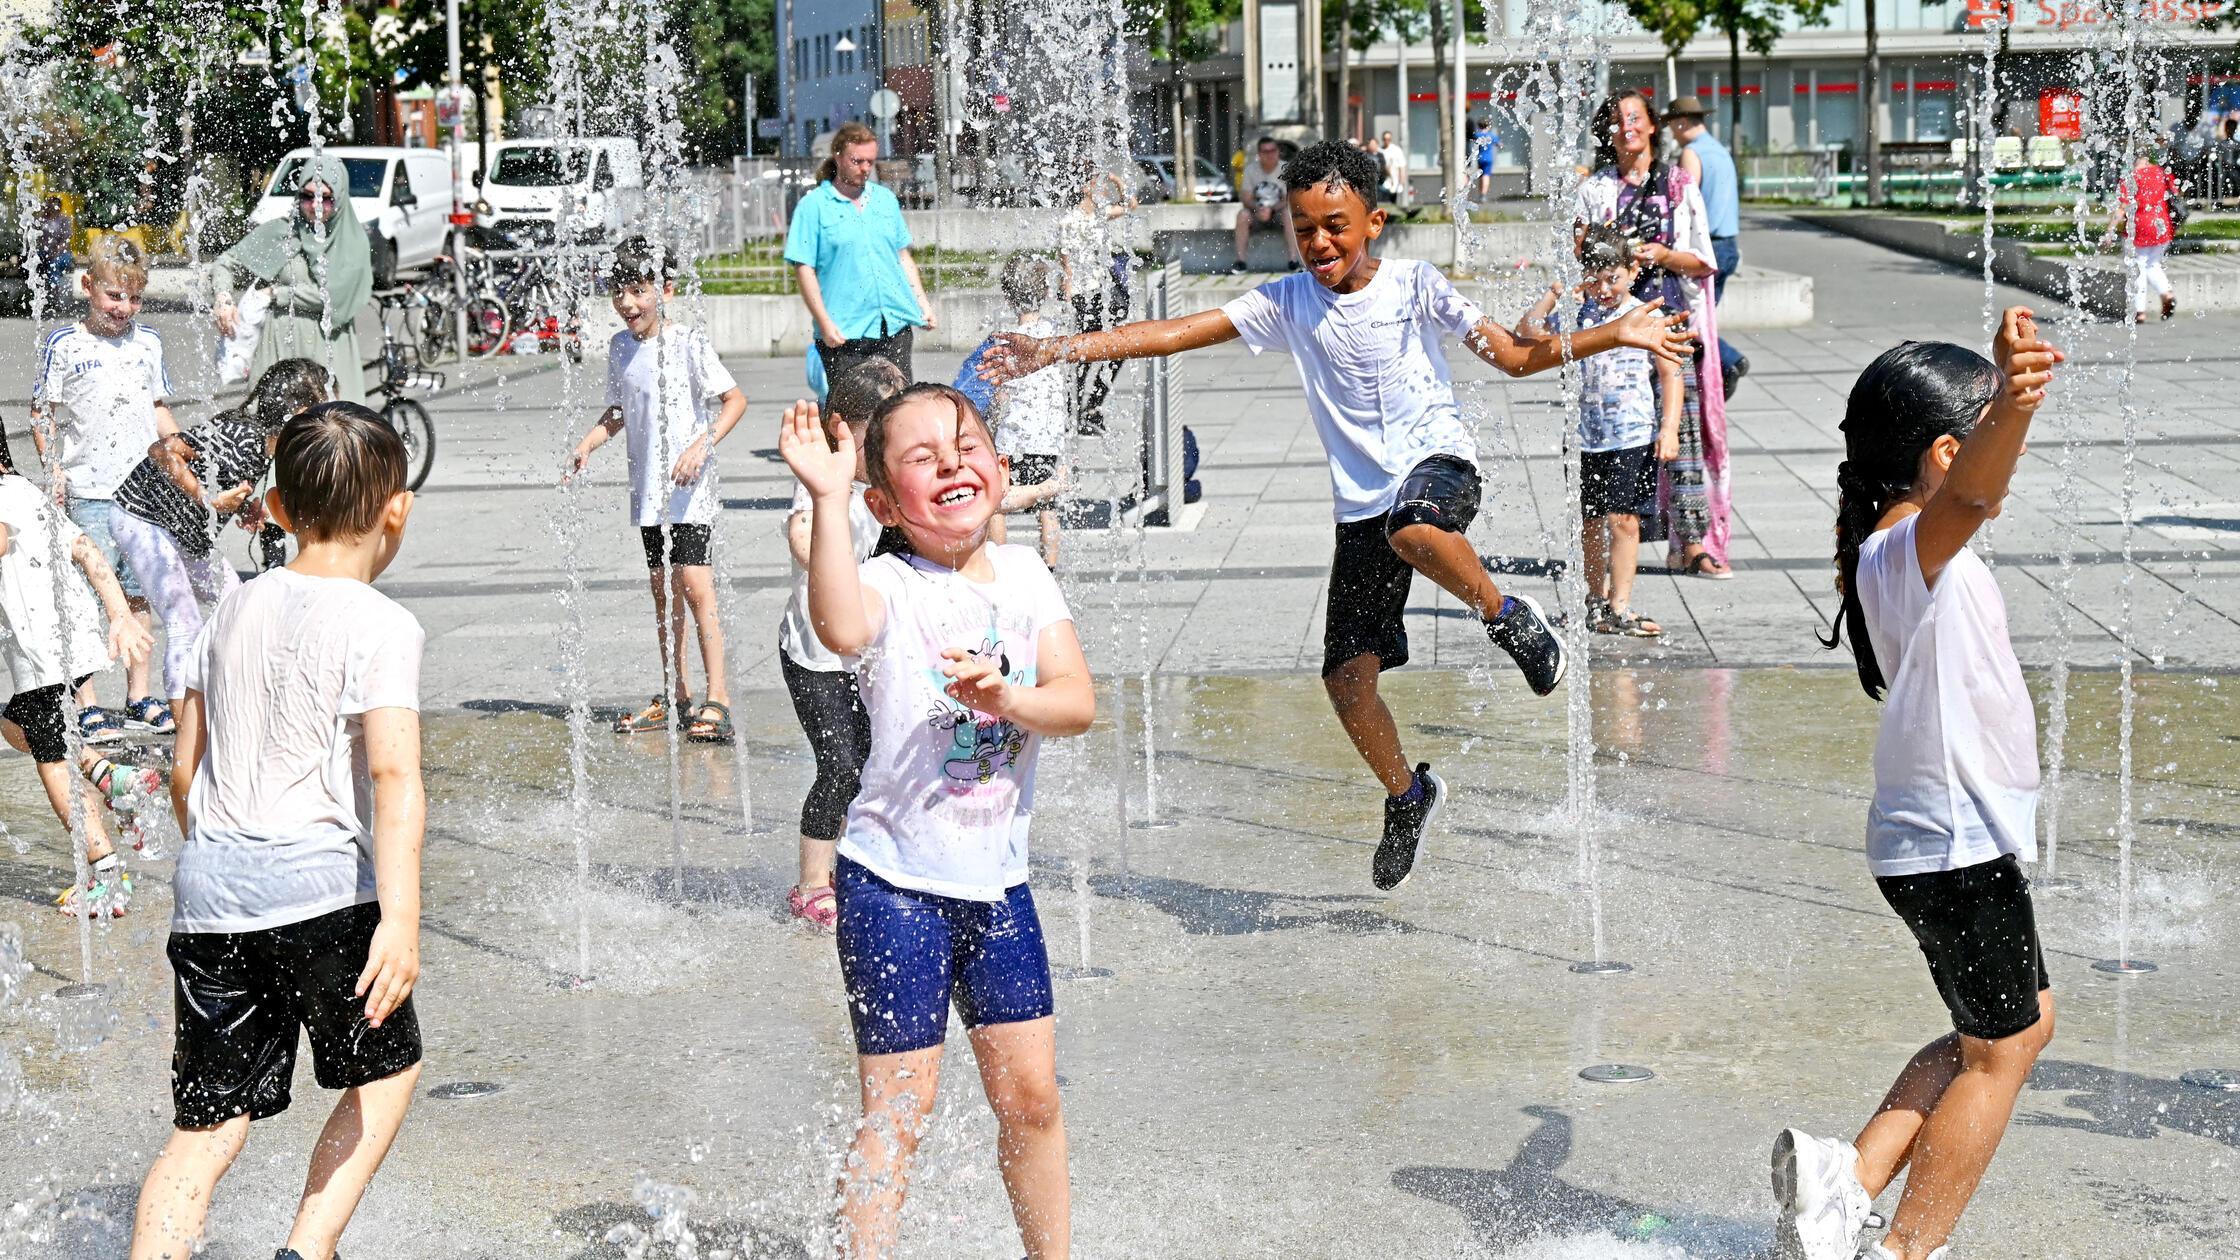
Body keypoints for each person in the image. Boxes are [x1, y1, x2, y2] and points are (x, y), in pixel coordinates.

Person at [982, 142, 1690, 892]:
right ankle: (1408, 797)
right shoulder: (1287, 302)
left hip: (1437, 468)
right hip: (1361, 508)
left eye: (1335, 225)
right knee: (1347, 684)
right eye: (1303, 227)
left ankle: (1509, 614)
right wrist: (1055, 350)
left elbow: (1514, 356)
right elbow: (1174, 332)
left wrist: (1615, 331)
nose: (1319, 242)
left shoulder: (1416, 285)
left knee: (1414, 526)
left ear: (1373, 222)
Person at [778, 383, 1094, 1260]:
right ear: (886, 502)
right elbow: (839, 627)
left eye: (966, 443)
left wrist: (1007, 694)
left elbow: (1075, 704)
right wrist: (827, 498)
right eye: (922, 457)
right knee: (901, 1108)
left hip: (999, 891)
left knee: (1032, 1099)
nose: (953, 462)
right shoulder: (885, 581)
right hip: (892, 888)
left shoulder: (1029, 577)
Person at [1781, 310, 2063, 1260]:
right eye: (1981, 436)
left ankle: (1846, 1181)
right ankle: (1903, 1250)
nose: (1998, 458)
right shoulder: (1909, 552)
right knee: (2002, 1049)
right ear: (1947, 452)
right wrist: (2015, 403)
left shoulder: (1902, 553)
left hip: (1948, 840)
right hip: (1953, 844)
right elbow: (1974, 500)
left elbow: (1969, 501)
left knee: (2014, 1025)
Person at [128, 402, 428, 1260]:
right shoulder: (381, 624)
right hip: (322, 893)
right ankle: (309, 1247)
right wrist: (400, 920)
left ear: (280, 510)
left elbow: (187, 773)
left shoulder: (228, 610)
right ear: (396, 508)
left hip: (211, 894)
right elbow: (394, 774)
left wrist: (221, 861)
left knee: (206, 1126)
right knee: (385, 1072)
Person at [570, 238, 748, 746]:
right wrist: (588, 443)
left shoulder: (689, 341)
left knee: (696, 587)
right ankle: (677, 693)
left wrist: (701, 445)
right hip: (649, 493)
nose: (627, 303)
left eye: (638, 291)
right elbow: (620, 411)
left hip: (689, 490)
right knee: (662, 592)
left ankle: (720, 698)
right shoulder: (619, 348)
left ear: (664, 290)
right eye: (617, 292)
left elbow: (734, 401)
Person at [110, 358, 332, 715]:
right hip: (142, 518)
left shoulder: (263, 446)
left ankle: (235, 702)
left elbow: (213, 474)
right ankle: (187, 735)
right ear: (299, 411)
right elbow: (162, 450)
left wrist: (242, 508)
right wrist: (207, 498)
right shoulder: (245, 436)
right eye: (322, 406)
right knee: (184, 622)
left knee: (237, 604)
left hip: (183, 532)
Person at [0, 424, 160, 917]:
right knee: (16, 725)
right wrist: (118, 613)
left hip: (41, 657)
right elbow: (88, 550)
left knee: (49, 760)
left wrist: (122, 616)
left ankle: (106, 873)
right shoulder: (24, 491)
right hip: (62, 651)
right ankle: (111, 777)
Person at [1575, 89, 1734, 580]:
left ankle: (1692, 545)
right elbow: (1578, 257)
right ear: (1608, 132)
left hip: (1668, 323)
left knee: (1680, 435)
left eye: (1636, 118)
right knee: (1615, 432)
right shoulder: (1594, 190)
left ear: (1651, 126)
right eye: (1618, 120)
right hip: (1613, 328)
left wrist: (1662, 255)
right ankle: (1616, 542)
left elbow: (1702, 259)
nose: (1628, 127)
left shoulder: (1678, 183)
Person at [777, 356, 907, 931]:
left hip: (871, 650)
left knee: (881, 760)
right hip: (817, 654)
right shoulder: (823, 475)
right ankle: (810, 884)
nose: (881, 448)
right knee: (840, 764)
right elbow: (801, 534)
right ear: (839, 429)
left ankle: (862, 863)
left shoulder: (888, 478)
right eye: (870, 436)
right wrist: (839, 574)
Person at [31, 234, 175, 743]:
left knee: (139, 596)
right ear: (88, 286)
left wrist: (179, 457)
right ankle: (87, 701)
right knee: (90, 598)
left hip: (145, 491)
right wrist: (54, 472)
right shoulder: (64, 344)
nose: (124, 308)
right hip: (89, 490)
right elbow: (42, 414)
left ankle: (139, 695)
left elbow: (159, 408)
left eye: (134, 298)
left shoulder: (149, 342)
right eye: (114, 295)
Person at [1517, 226, 1682, 638]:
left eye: (1614, 278)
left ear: (1632, 271)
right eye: (1595, 278)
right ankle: (1595, 601)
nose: (1604, 288)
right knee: (1589, 521)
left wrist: (1670, 428)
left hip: (1633, 436)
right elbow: (1526, 331)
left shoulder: (1647, 314)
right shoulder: (1576, 315)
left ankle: (1620, 606)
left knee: (1624, 521)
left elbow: (1670, 372)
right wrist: (1557, 290)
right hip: (1584, 438)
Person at [212, 155, 372, 405]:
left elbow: (334, 297)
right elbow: (225, 262)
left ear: (340, 198)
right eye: (308, 196)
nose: (316, 205)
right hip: (280, 347)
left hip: (329, 350)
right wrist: (223, 298)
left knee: (334, 430)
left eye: (325, 198)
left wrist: (277, 294)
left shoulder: (352, 242)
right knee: (272, 428)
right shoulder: (283, 232)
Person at [785, 121, 934, 380]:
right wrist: (824, 322)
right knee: (851, 415)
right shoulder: (814, 206)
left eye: (870, 162)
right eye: (857, 161)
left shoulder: (884, 200)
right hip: (844, 332)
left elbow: (902, 256)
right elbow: (803, 268)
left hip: (893, 324)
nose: (865, 168)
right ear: (838, 156)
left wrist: (922, 303)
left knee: (899, 408)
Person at [1664, 95, 1751, 397]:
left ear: (1682, 122)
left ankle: (1729, 362)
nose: (1671, 132)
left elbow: (1685, 204)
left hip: (1706, 250)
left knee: (1691, 319)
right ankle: (1715, 372)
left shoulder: (1692, 153)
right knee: (1702, 318)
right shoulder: (1720, 151)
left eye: (1672, 126)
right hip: (1729, 245)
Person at [988, 254, 1069, 568]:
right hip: (1047, 438)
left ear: (1008, 295)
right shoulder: (1055, 335)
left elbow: (998, 393)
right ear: (1046, 293)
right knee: (1047, 502)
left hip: (1012, 439)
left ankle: (1000, 561)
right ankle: (1049, 565)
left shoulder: (1004, 338)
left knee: (997, 501)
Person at [1057, 169, 1135, 436]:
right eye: (1096, 182)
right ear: (1084, 187)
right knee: (1084, 355)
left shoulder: (1100, 214)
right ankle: (1075, 411)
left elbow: (1131, 205)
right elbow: (1065, 261)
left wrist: (1118, 181)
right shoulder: (1070, 220)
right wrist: (1068, 292)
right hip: (1083, 294)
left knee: (1118, 349)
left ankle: (1094, 405)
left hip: (1104, 293)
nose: (1101, 187)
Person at [2103, 149, 2179, 322]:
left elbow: (2122, 208)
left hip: (2140, 228)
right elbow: (2175, 193)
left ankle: (2139, 311)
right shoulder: (2161, 173)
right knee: (2152, 264)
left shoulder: (2131, 178)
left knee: (2138, 268)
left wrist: (2110, 230)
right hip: (2162, 226)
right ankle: (2166, 293)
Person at [1231, 136, 1300, 274]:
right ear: (1259, 154)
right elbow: (1245, 197)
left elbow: (1291, 196)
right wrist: (1257, 208)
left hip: (1278, 212)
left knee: (1288, 214)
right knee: (1242, 215)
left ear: (1278, 152)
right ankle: (1240, 262)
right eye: (1265, 151)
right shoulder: (1251, 170)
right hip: (1257, 212)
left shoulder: (1285, 169)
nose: (1270, 154)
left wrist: (1272, 209)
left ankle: (1294, 261)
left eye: (1272, 150)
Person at [35, 197, 73, 310]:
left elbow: (66, 241)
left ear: (59, 207)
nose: (50, 208)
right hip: (44, 253)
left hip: (62, 254)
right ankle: (37, 298)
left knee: (53, 264)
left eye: (53, 206)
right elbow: (36, 237)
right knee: (34, 263)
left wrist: (55, 252)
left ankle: (55, 299)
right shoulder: (42, 219)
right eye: (48, 205)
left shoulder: (64, 220)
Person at [1380, 130, 1410, 209]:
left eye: (1388, 139)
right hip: (1384, 178)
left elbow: (1402, 165)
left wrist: (1402, 179)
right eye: (1385, 139)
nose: (1387, 141)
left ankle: (1397, 209)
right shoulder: (1380, 151)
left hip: (1395, 178)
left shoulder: (1396, 150)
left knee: (1395, 195)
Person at [1472, 116, 1501, 200]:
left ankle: (1481, 193)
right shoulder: (1491, 135)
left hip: (1480, 158)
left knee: (1481, 176)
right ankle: (1483, 195)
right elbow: (1499, 144)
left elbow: (1471, 139)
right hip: (1489, 159)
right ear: (1488, 126)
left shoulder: (1477, 135)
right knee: (1486, 176)